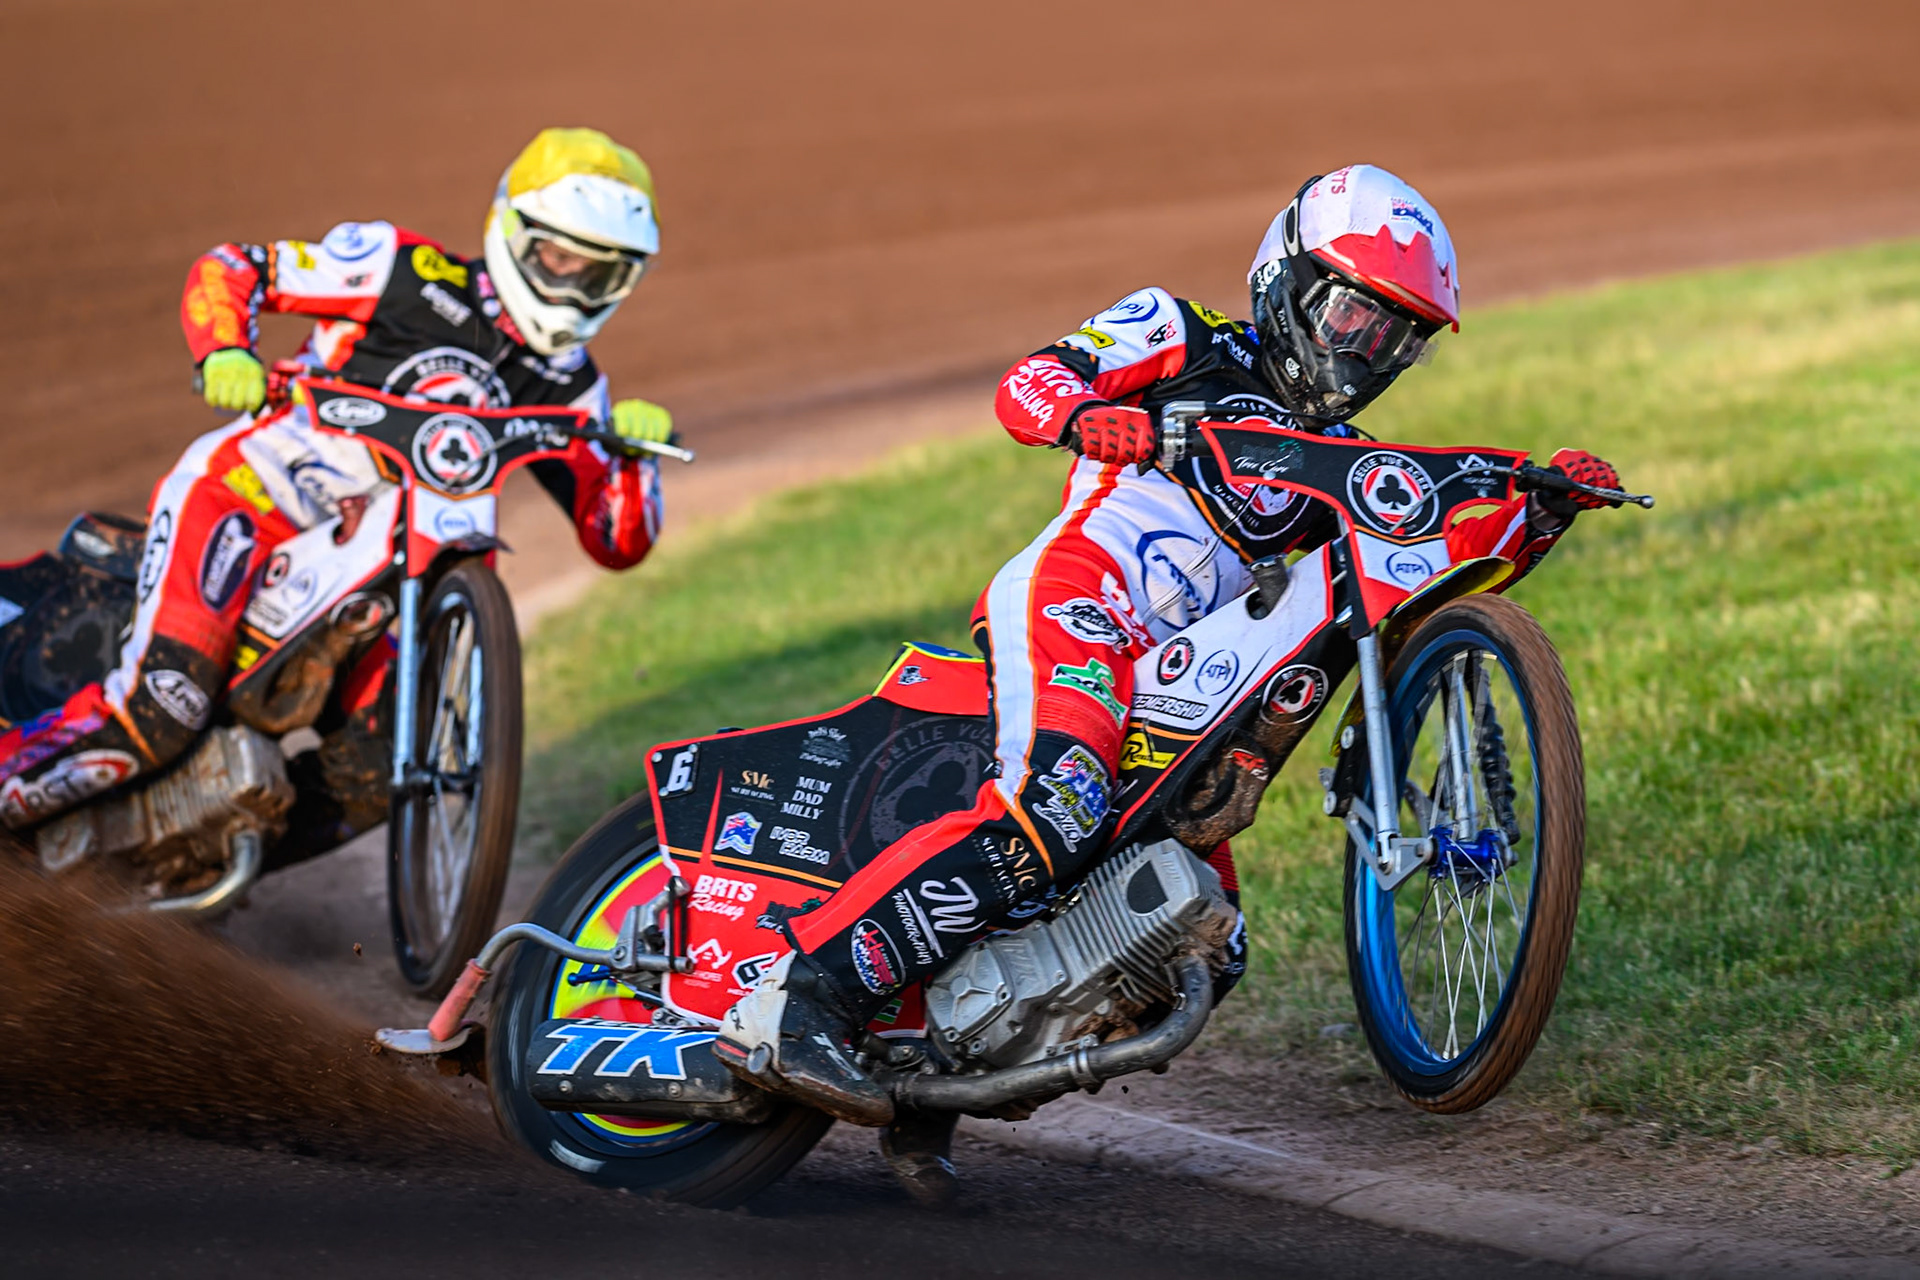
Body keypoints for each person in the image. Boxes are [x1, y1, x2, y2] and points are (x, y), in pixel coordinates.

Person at [713, 165, 1622, 1174]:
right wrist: (1087, 416)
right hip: (1076, 598)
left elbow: (1427, 567)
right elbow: (1030, 382)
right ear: (1289, 279)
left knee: (1204, 938)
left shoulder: (1342, 460)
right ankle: (803, 998)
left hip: (1170, 685)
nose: (1368, 353)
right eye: (1355, 315)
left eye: (1396, 338)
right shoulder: (1178, 331)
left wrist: (1539, 507)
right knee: (1054, 806)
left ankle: (930, 1074)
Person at [0, 127, 672, 842]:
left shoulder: (572, 385)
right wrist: (227, 350)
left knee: (385, 772)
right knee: (165, 707)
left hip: (389, 585)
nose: (572, 284)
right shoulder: (402, 268)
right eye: (558, 256)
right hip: (248, 503)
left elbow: (615, 541)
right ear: (513, 230)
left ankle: (198, 862)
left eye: (597, 273)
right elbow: (233, 267)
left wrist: (631, 458)